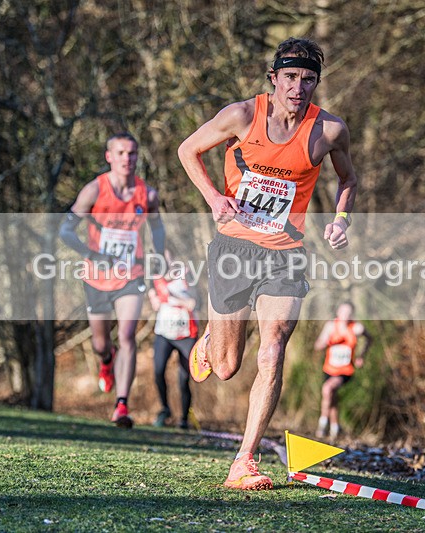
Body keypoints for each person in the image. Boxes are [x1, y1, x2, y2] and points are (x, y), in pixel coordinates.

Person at [178, 37, 359, 490]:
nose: (299, 88)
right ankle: (211, 341)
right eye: (291, 77)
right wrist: (215, 197)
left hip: (285, 254)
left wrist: (340, 219)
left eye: (309, 79)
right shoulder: (241, 115)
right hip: (234, 249)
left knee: (274, 346)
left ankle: (244, 460)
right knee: (225, 366)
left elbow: (348, 177)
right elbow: (187, 150)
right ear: (274, 78)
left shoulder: (330, 131)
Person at [59, 132, 165, 428]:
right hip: (96, 277)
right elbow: (65, 231)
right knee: (100, 343)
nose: (126, 159)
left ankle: (121, 405)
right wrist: (90, 254)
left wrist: (158, 257)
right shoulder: (94, 190)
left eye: (131, 153)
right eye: (120, 153)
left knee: (128, 335)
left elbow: (158, 230)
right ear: (109, 156)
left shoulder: (149, 195)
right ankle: (107, 360)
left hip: (131, 276)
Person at [147, 252, 198, 429]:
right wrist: (155, 295)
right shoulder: (155, 278)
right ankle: (165, 409)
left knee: (184, 378)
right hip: (164, 332)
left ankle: (183, 418)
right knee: (158, 371)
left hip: (186, 333)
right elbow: (155, 304)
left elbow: (193, 302)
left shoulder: (187, 273)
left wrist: (172, 299)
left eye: (166, 255)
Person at [313, 301, 371, 441]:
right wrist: (326, 341)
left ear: (352, 314)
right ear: (338, 312)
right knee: (331, 398)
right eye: (343, 312)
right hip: (329, 369)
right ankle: (334, 429)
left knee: (327, 389)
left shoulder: (356, 328)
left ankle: (322, 425)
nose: (345, 315)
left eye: (348, 313)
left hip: (345, 371)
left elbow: (370, 339)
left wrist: (361, 356)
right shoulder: (331, 326)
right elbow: (318, 346)